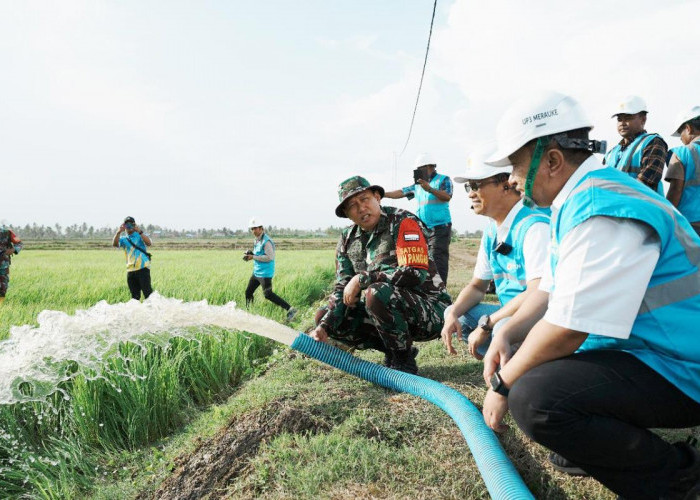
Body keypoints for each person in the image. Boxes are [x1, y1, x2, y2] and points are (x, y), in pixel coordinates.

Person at [479, 91, 700, 499]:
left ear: (552, 161)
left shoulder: (602, 208)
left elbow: (567, 329)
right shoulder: (580, 198)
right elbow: (551, 289)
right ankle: (598, 445)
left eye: (515, 164)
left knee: (536, 398)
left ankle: (677, 480)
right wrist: (508, 331)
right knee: (535, 365)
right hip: (661, 352)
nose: (510, 178)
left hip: (686, 368)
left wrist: (502, 385)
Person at [310, 175, 451, 374]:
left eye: (364, 199)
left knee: (376, 292)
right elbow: (343, 287)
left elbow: (415, 273)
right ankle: (397, 349)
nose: (361, 208)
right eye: (352, 205)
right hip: (386, 310)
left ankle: (403, 363)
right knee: (325, 316)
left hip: (431, 311)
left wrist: (363, 279)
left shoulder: (404, 221)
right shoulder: (347, 238)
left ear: (377, 197)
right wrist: (324, 327)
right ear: (347, 214)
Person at [440, 153, 549, 359]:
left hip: (539, 316)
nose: (471, 194)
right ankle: (503, 358)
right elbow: (477, 287)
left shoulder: (534, 227)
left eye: (477, 185)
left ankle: (518, 369)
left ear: (506, 185)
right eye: (469, 187)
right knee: (455, 314)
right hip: (510, 312)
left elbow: (538, 293)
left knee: (502, 327)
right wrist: (454, 313)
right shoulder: (492, 230)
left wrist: (487, 324)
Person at [384, 153, 453, 284]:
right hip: (423, 228)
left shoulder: (443, 180)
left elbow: (447, 196)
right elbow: (401, 192)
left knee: (438, 259)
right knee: (425, 258)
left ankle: (441, 290)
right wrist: (383, 194)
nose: (417, 173)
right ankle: (430, 287)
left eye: (418, 169)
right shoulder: (418, 185)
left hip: (440, 227)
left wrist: (430, 189)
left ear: (428, 167)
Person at [603, 95, 668, 195]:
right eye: (619, 119)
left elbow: (646, 182)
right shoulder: (610, 154)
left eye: (628, 117)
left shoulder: (653, 142)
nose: (622, 123)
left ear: (643, 119)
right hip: (615, 209)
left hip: (643, 209)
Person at [243, 218, 297, 322]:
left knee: (268, 294)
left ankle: (291, 310)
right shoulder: (257, 240)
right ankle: (249, 314)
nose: (253, 231)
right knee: (248, 292)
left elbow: (269, 257)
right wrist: (251, 254)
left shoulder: (266, 241)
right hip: (256, 272)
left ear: (261, 228)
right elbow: (259, 254)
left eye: (255, 228)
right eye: (252, 229)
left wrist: (253, 257)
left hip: (265, 273)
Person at [665, 106, 700, 236]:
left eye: (681, 133)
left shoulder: (682, 153)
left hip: (690, 225)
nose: (680, 138)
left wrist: (666, 218)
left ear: (688, 128)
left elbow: (675, 191)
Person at [112, 216, 153, 301]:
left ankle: (152, 312)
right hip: (130, 271)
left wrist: (140, 231)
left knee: (148, 295)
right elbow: (115, 244)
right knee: (134, 297)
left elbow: (149, 243)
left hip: (143, 268)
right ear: (124, 226)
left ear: (134, 225)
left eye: (131, 224)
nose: (129, 226)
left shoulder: (139, 235)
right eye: (127, 225)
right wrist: (118, 232)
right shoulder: (123, 239)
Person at [0, 226, 23, 304]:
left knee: (3, 287)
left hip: (3, 265)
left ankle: (1, 305)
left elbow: (19, 243)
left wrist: (13, 250)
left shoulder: (7, 232)